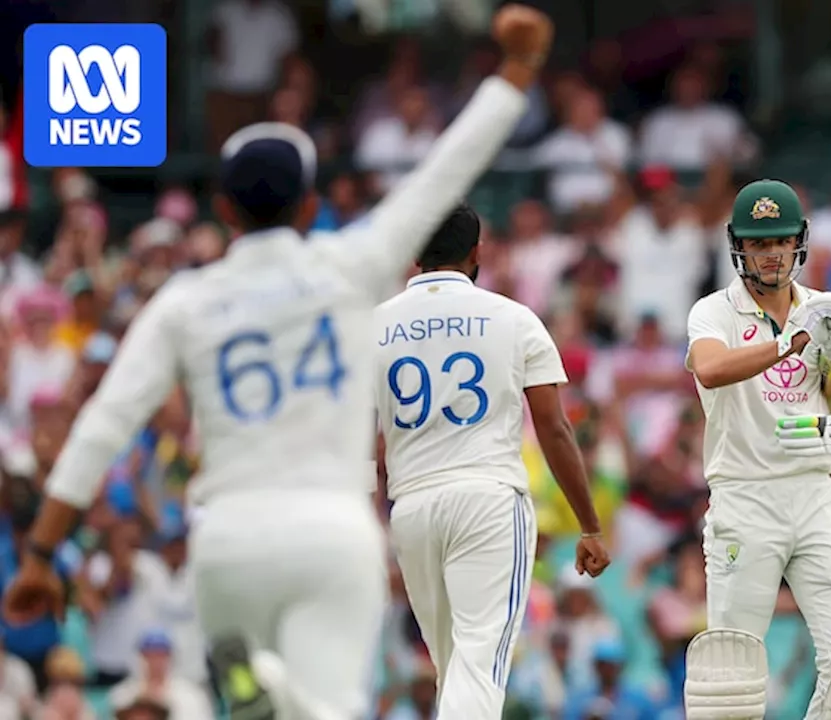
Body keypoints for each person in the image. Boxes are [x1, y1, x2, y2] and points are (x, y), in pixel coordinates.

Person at [0, 7, 555, 720]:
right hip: (328, 528)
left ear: (225, 210)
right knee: (327, 709)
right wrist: (514, 72)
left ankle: (257, 679)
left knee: (240, 698)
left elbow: (105, 424)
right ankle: (285, 693)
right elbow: (444, 170)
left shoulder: (186, 301)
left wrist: (43, 553)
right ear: (312, 206)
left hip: (227, 539)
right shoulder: (352, 263)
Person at [374, 203, 610, 718]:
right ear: (477, 252)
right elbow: (553, 426)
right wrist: (589, 525)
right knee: (478, 666)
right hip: (488, 501)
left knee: (454, 668)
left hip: (411, 506)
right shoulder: (513, 317)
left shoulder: (375, 325)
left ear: (415, 253)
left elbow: (371, 440)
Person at [682, 179, 831, 720]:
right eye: (759, 243)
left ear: (798, 242)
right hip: (745, 496)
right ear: (739, 247)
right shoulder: (714, 312)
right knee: (727, 684)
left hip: (816, 494)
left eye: (780, 241)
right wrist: (788, 342)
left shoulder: (828, 317)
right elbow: (708, 368)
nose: (772, 253)